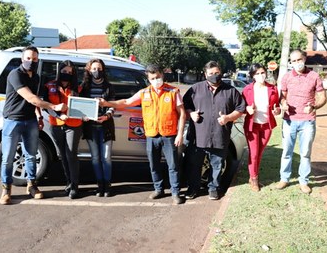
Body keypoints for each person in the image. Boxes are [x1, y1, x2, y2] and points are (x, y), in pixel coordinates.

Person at [99, 64, 186, 205]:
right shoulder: (144, 93)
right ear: (148, 78)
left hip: (169, 135)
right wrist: (107, 103)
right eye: (153, 78)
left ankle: (175, 192)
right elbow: (126, 102)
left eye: (158, 77)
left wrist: (180, 134)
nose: (156, 80)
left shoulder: (173, 92)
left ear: (162, 75)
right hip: (151, 135)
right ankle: (158, 189)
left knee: (173, 165)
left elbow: (182, 114)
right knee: (154, 165)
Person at [0, 46, 67, 205]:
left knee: (31, 155)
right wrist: (54, 107)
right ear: (22, 59)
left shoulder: (36, 77)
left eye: (35, 59)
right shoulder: (15, 74)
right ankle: (6, 189)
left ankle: (32, 186)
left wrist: (39, 116)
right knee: (8, 157)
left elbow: (35, 100)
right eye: (28, 58)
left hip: (30, 120)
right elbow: (30, 98)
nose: (31, 61)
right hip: (13, 120)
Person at [183, 61, 246, 200]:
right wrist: (190, 113)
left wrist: (228, 117)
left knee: (217, 165)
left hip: (219, 135)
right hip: (198, 136)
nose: (214, 76)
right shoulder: (195, 89)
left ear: (221, 73)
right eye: (211, 73)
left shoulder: (231, 91)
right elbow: (184, 106)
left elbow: (240, 109)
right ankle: (193, 188)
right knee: (194, 164)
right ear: (205, 74)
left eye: (217, 73)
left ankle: (213, 188)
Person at [276, 49, 327, 194]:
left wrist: (314, 106)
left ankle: (303, 181)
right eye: (293, 61)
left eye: (299, 60)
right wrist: (283, 104)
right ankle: (284, 178)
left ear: (304, 59)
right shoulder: (286, 77)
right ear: (290, 63)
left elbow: (323, 97)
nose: (297, 63)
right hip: (289, 121)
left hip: (307, 121)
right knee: (287, 151)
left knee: (305, 153)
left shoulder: (314, 76)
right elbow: (282, 97)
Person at [43, 60, 82, 199]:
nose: (67, 74)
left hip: (74, 125)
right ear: (59, 71)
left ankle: (75, 186)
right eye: (64, 71)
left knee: (71, 154)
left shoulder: (78, 88)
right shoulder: (49, 85)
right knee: (63, 155)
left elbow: (85, 105)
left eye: (70, 72)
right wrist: (59, 114)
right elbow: (46, 105)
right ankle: (69, 183)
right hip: (56, 124)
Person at [80, 59, 116, 197]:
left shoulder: (109, 87)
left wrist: (107, 116)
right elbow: (80, 105)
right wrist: (83, 116)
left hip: (105, 126)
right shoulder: (84, 86)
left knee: (106, 157)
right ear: (89, 70)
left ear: (103, 69)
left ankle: (107, 185)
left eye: (99, 68)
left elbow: (112, 105)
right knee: (95, 158)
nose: (97, 71)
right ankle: (99, 184)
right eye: (94, 69)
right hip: (90, 127)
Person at [242, 63, 281, 192]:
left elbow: (277, 106)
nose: (260, 76)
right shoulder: (247, 90)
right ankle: (254, 179)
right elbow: (241, 108)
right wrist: (247, 109)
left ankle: (252, 175)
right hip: (252, 126)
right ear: (253, 76)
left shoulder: (273, 89)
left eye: (262, 73)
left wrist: (277, 111)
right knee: (253, 153)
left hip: (266, 125)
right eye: (257, 74)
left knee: (259, 153)